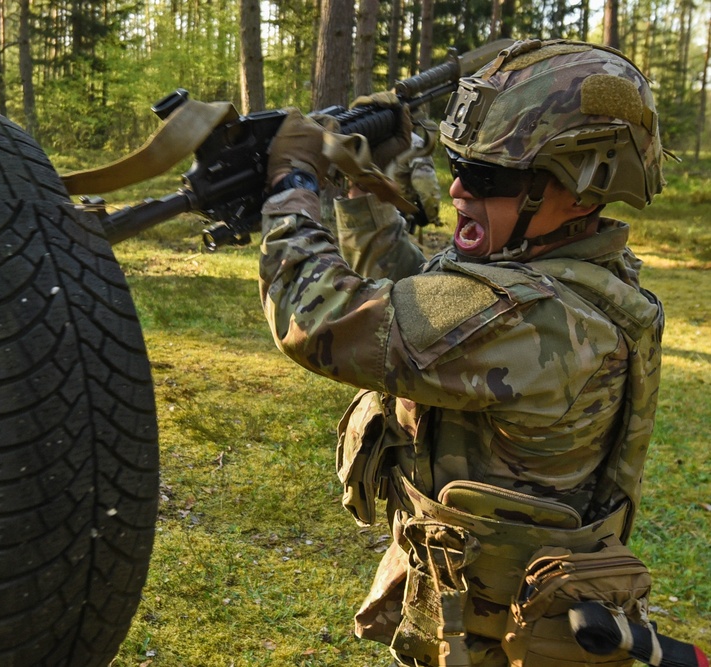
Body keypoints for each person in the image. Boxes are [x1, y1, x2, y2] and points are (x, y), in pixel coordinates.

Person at [258, 39, 666, 667]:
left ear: (584, 192)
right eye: (456, 162)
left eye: (488, 177)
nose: (455, 187)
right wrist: (369, 183)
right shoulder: (548, 273)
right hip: (476, 618)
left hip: (506, 641)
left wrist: (292, 187)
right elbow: (423, 303)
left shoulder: (545, 320)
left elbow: (325, 323)